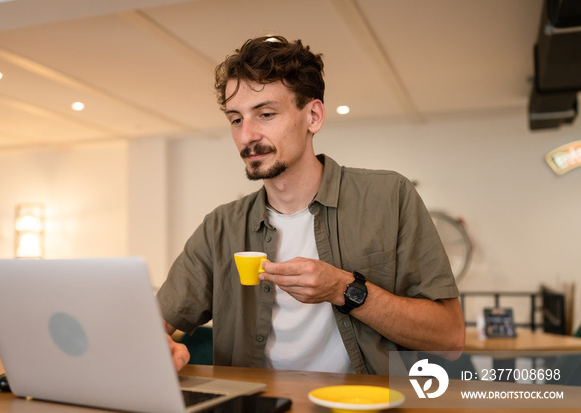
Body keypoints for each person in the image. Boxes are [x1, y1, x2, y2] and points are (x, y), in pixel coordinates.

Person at [160, 35, 464, 375]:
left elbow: (449, 339)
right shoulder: (221, 226)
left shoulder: (389, 196)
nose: (246, 136)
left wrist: (343, 289)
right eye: (236, 119)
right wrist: (157, 344)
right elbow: (156, 321)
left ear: (314, 116)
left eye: (265, 114)